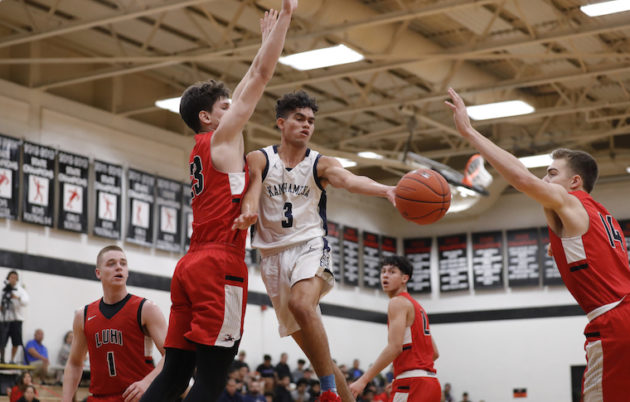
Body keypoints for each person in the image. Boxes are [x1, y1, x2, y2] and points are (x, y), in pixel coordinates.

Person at [140, 2, 297, 401]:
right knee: (210, 381)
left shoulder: (206, 146)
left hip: (190, 264)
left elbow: (247, 83)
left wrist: (264, 43)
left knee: (174, 376)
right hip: (219, 264)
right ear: (207, 118)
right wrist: (286, 19)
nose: (236, 108)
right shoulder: (223, 140)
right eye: (226, 107)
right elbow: (260, 78)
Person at [445, 88, 630, 401]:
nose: (544, 180)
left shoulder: (568, 200)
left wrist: (469, 132)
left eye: (552, 173)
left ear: (575, 182)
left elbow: (522, 178)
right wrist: (557, 248)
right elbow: (594, 257)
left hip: (614, 322)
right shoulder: (602, 216)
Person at [234, 90, 396, 402]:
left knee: (301, 304)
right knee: (319, 357)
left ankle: (328, 391)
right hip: (272, 257)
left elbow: (349, 181)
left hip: (310, 246)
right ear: (281, 123)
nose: (307, 124)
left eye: (311, 120)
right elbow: (252, 189)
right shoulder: (260, 158)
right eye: (299, 118)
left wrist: (386, 190)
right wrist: (249, 212)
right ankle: (334, 389)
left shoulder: (321, 164)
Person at [61, 245, 167, 402]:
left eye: (123, 263)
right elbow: (75, 363)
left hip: (137, 397)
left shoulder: (146, 308)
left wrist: (147, 382)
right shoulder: (83, 315)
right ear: (98, 273)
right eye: (111, 263)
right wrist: (66, 399)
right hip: (99, 398)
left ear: (127, 271)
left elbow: (171, 354)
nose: (119, 267)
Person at [349, 256, 441, 402]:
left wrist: (363, 380)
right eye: (383, 271)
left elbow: (394, 348)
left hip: (412, 384)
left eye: (392, 272)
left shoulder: (397, 302)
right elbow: (434, 353)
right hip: (431, 384)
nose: (385, 275)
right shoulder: (418, 308)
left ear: (405, 278)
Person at [0, 270, 29, 364]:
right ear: (8, 278)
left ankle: (12, 359)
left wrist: (16, 297)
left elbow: (25, 302)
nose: (13, 279)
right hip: (4, 319)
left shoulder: (20, 290)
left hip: (16, 319)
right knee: (2, 340)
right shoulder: (3, 290)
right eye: (11, 277)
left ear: (17, 279)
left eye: (15, 278)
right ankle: (2, 358)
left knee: (16, 341)